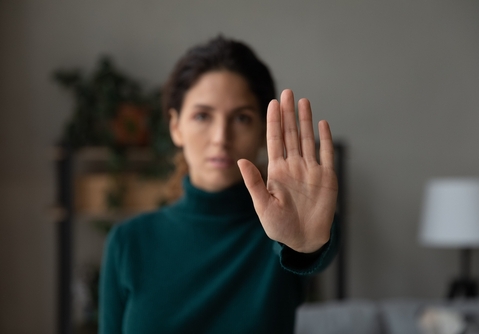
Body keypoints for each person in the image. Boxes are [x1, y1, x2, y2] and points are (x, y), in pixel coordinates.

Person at [99, 35, 339, 334]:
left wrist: (306, 247)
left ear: (264, 129)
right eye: (202, 116)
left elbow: (314, 247)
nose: (220, 138)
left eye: (241, 118)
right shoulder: (128, 242)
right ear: (176, 127)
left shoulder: (282, 232)